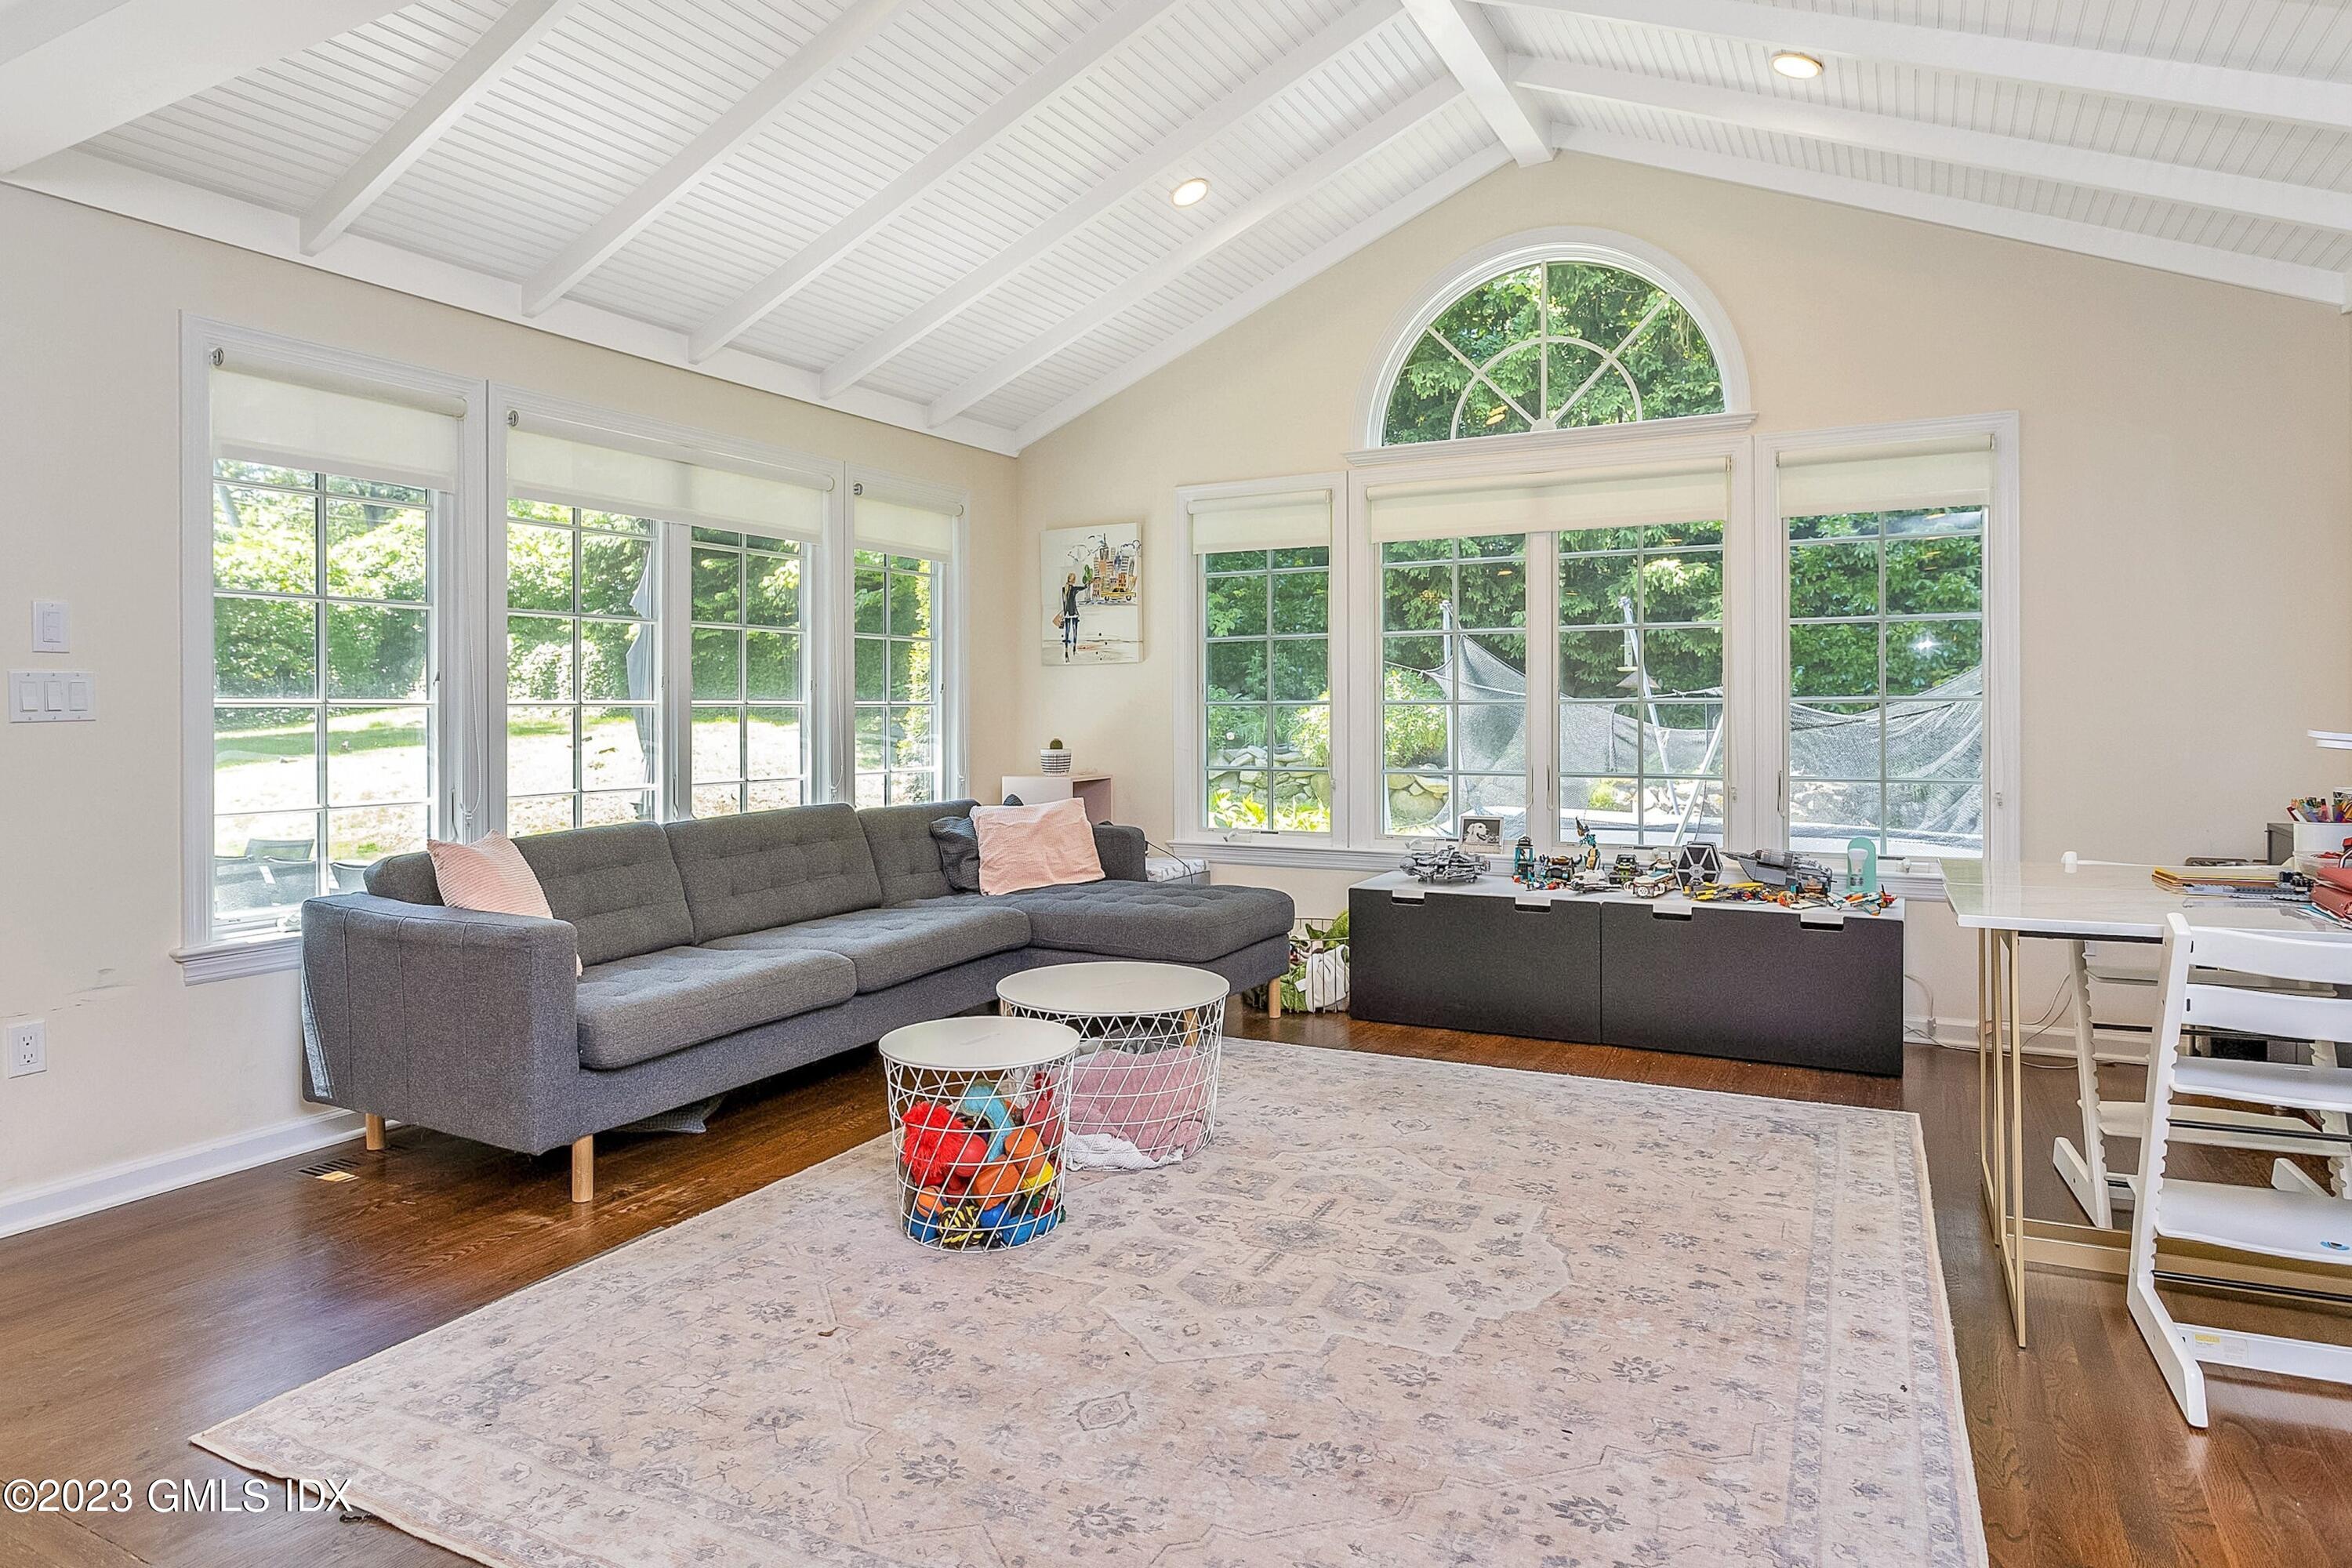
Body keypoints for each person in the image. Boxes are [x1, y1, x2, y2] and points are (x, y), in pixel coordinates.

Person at [1059, 572, 1081, 660]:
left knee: (1067, 633)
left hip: (1067, 614)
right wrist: (1090, 583)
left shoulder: (1064, 589)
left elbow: (1064, 603)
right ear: (1073, 580)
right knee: (1075, 631)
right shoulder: (1074, 589)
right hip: (1074, 613)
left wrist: (1064, 613)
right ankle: (1075, 649)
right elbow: (1083, 587)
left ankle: (1066, 652)